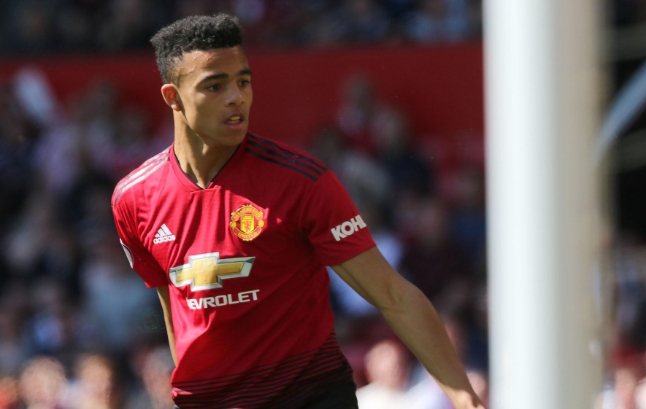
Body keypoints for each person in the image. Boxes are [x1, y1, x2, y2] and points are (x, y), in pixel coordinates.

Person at [111, 13, 485, 409]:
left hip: (309, 397)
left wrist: (466, 400)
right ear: (172, 97)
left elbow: (394, 295)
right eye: (215, 86)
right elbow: (175, 308)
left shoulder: (301, 180)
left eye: (243, 81)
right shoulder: (132, 199)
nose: (236, 97)